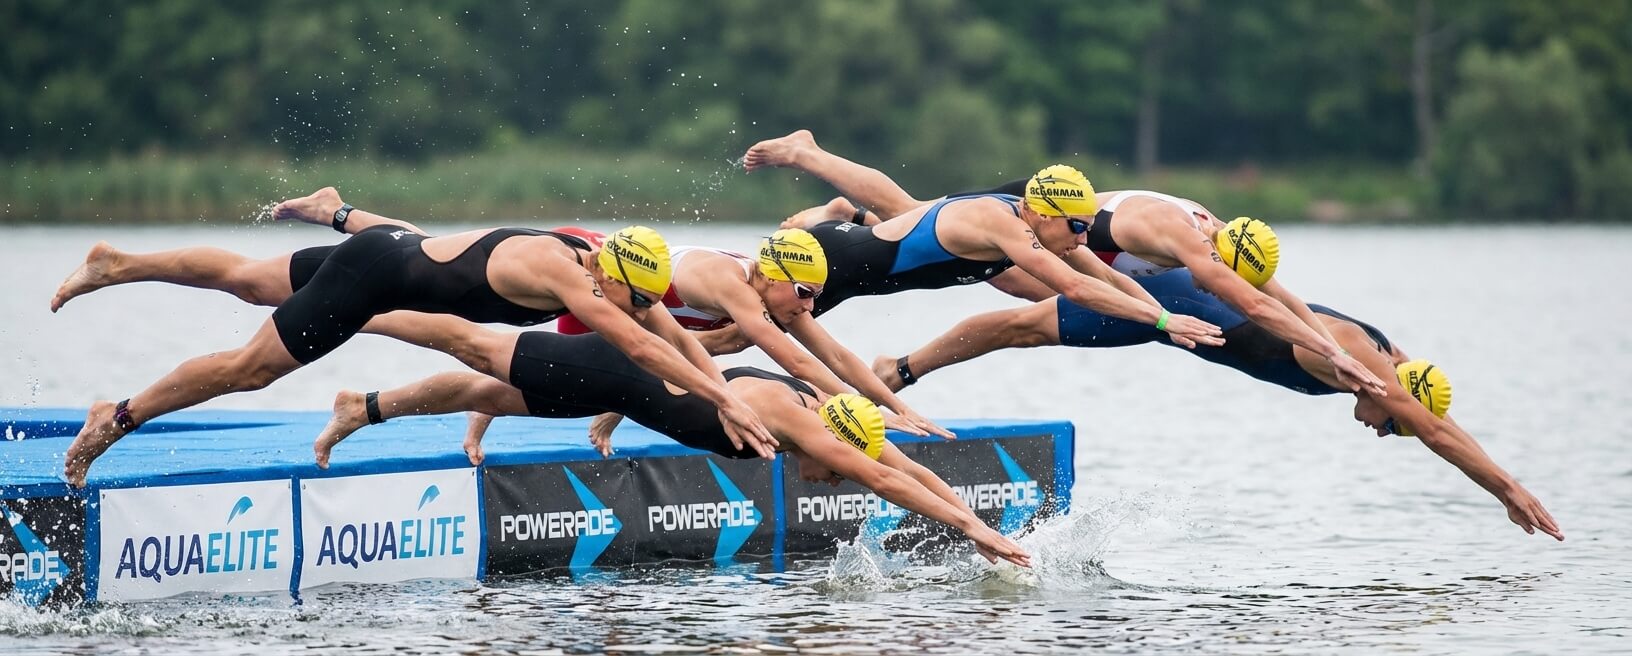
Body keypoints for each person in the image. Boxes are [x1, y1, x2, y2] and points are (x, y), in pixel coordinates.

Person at [56, 188, 774, 487]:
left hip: (393, 251)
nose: (645, 310)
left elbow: (660, 338)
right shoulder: (563, 271)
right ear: (611, 272)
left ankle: (119, 263)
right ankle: (116, 418)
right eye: (638, 298)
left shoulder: (602, 262)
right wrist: (729, 402)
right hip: (371, 275)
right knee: (250, 370)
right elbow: (648, 349)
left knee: (247, 278)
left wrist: (712, 376)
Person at [869, 268, 1563, 541]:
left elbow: (1439, 421)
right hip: (1181, 309)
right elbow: (1437, 434)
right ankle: (898, 359)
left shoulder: (1396, 367)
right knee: (1023, 311)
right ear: (1396, 401)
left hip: (1188, 329)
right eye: (1394, 429)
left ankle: (906, 248)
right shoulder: (1358, 364)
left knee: (1026, 299)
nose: (1386, 434)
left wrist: (1498, 473)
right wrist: (1508, 488)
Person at [308, 312, 1033, 568]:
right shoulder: (802, 423)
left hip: (630, 389)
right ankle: (371, 316)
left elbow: (904, 470)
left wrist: (974, 526)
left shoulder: (832, 416)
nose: (832, 480)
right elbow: (882, 481)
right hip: (616, 367)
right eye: (835, 470)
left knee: (490, 388)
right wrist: (973, 528)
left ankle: (365, 401)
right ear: (828, 442)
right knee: (477, 362)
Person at [742, 129, 1385, 395]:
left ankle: (834, 193)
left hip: (1014, 236)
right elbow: (1083, 280)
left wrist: (1327, 342)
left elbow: (1271, 296)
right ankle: (818, 172)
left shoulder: (1222, 241)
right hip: (995, 227)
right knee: (911, 216)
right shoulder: (1184, 242)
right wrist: (1162, 321)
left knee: (913, 220)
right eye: (1075, 229)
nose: (1084, 239)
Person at [555, 228, 954, 442]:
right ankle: (487, 417)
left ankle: (615, 404)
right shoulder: (732, 285)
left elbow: (834, 354)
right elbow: (795, 361)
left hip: (652, 323)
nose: (809, 307)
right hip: (598, 276)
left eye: (814, 297)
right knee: (554, 371)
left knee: (729, 342)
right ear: (767, 275)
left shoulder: (773, 289)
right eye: (803, 294)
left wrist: (898, 409)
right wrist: (864, 408)